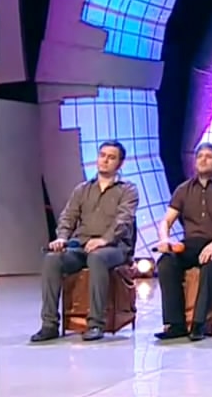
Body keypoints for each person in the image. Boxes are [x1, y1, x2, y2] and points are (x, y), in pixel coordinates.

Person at [30, 140, 139, 343]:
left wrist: (104, 240)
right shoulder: (82, 189)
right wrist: (62, 237)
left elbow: (124, 220)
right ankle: (49, 324)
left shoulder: (128, 190)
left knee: (97, 257)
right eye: (102, 155)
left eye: (111, 157)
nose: (105, 160)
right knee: (52, 259)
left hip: (115, 247)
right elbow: (68, 216)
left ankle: (96, 323)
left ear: (120, 163)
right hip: (82, 245)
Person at [153, 142, 212, 341]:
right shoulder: (183, 189)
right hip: (191, 244)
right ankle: (175, 324)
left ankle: (199, 324)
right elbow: (166, 221)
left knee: (211, 264)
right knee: (166, 262)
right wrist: (165, 239)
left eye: (208, 157)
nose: (202, 160)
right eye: (199, 156)